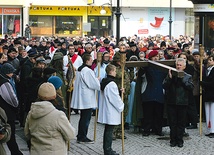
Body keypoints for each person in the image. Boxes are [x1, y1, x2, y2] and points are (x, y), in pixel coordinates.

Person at [24, 82, 75, 155]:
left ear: (38, 96)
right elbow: (70, 134)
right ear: (54, 96)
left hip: (36, 151)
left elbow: (27, 134)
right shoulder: (58, 115)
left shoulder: (31, 113)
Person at [163, 58, 193, 147]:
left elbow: (190, 87)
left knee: (181, 123)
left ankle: (180, 140)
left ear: (184, 66)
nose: (178, 66)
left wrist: (182, 79)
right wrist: (169, 78)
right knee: (172, 123)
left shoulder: (188, 76)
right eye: (177, 65)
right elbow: (164, 85)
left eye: (180, 65)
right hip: (171, 102)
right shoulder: (171, 75)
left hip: (182, 102)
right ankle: (173, 140)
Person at [71, 54, 100, 143]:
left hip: (82, 95)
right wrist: (97, 80)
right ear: (87, 61)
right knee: (86, 118)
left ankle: (80, 134)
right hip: (86, 96)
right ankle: (82, 136)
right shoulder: (87, 71)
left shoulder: (80, 69)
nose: (92, 61)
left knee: (83, 117)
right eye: (91, 60)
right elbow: (92, 83)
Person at [98, 64, 124, 155]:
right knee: (109, 130)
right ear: (111, 71)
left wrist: (119, 92)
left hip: (107, 108)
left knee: (108, 129)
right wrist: (121, 105)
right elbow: (114, 98)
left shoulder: (105, 81)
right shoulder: (111, 84)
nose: (116, 73)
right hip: (111, 109)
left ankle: (107, 148)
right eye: (115, 71)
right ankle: (108, 150)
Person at [0, 63, 23, 155]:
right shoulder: (4, 82)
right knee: (10, 133)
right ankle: (15, 152)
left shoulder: (5, 80)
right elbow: (11, 98)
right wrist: (17, 105)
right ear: (6, 73)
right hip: (8, 112)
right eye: (10, 72)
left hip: (5, 111)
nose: (12, 74)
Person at [200, 54, 214, 138]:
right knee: (208, 112)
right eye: (209, 60)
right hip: (207, 94)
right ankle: (210, 129)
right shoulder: (207, 69)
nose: (209, 61)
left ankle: (213, 130)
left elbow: (212, 83)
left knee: (212, 113)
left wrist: (203, 83)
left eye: (211, 60)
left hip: (212, 94)